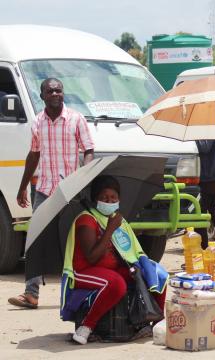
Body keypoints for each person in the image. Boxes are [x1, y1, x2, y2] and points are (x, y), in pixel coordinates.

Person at [9, 78, 94, 310]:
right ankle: (31, 293)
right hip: (45, 189)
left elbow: (88, 149)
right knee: (35, 238)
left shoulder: (76, 119)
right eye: (50, 91)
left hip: (71, 190)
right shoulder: (37, 122)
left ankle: (80, 292)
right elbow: (34, 155)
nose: (56, 93)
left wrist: (84, 177)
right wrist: (22, 186)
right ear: (42, 95)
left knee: (73, 240)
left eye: (59, 90)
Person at [62, 176, 168, 344]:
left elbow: (130, 250)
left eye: (113, 198)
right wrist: (110, 229)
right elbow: (92, 257)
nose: (109, 201)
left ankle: (156, 322)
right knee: (116, 284)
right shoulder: (86, 219)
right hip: (84, 271)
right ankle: (87, 327)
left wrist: (140, 266)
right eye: (104, 198)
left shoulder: (118, 219)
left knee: (156, 273)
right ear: (95, 199)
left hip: (112, 268)